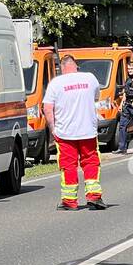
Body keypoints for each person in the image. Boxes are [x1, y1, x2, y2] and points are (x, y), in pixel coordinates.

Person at [42, 54, 105, 210]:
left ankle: (70, 201)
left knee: (68, 166)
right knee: (91, 163)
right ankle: (94, 197)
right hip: (88, 131)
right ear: (76, 66)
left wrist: (53, 129)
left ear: (62, 68)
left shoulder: (56, 83)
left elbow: (48, 108)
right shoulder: (90, 78)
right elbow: (96, 97)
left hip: (65, 133)